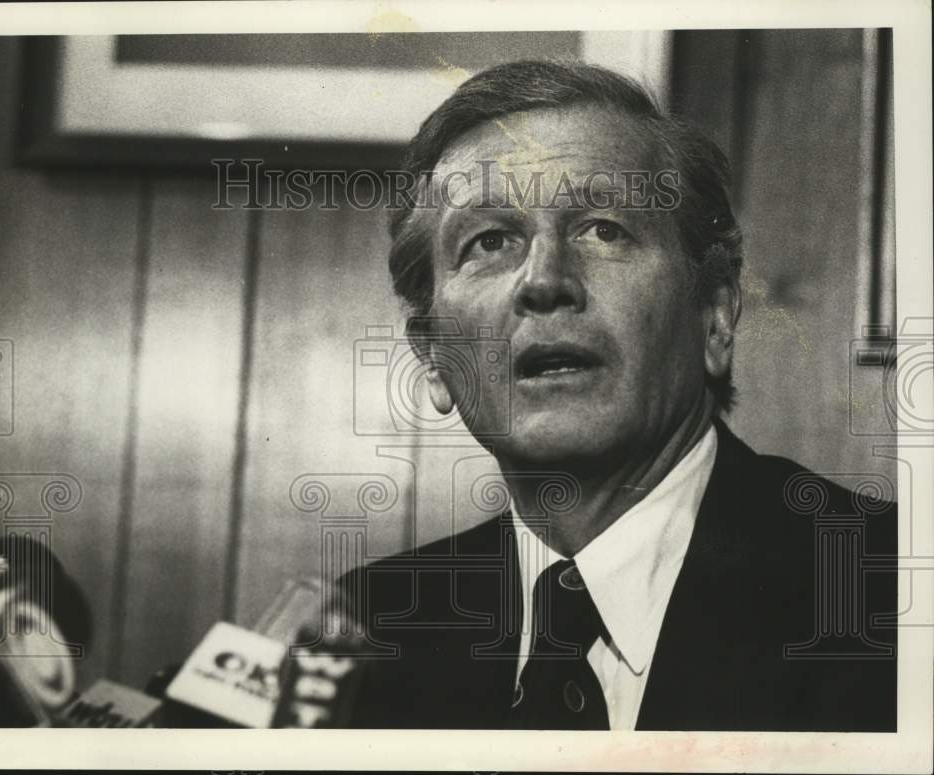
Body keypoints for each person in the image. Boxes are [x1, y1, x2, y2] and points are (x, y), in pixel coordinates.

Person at [336, 60, 897, 731]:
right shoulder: (366, 633)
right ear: (432, 357)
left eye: (604, 229)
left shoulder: (893, 592)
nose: (543, 281)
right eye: (489, 241)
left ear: (714, 313)